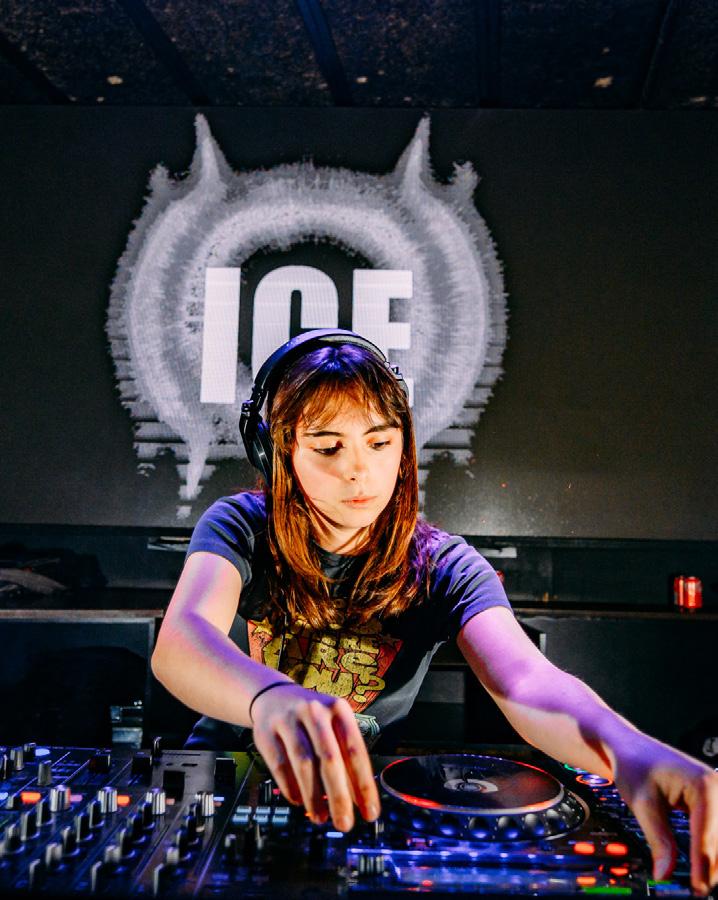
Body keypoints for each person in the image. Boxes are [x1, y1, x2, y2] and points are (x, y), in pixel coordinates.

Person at [151, 329, 718, 895]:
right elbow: (182, 639)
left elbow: (526, 680)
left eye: (380, 442)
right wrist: (272, 697)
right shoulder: (241, 526)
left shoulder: (444, 564)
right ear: (276, 451)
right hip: (224, 783)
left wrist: (625, 748)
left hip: (355, 802)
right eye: (327, 447)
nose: (359, 469)